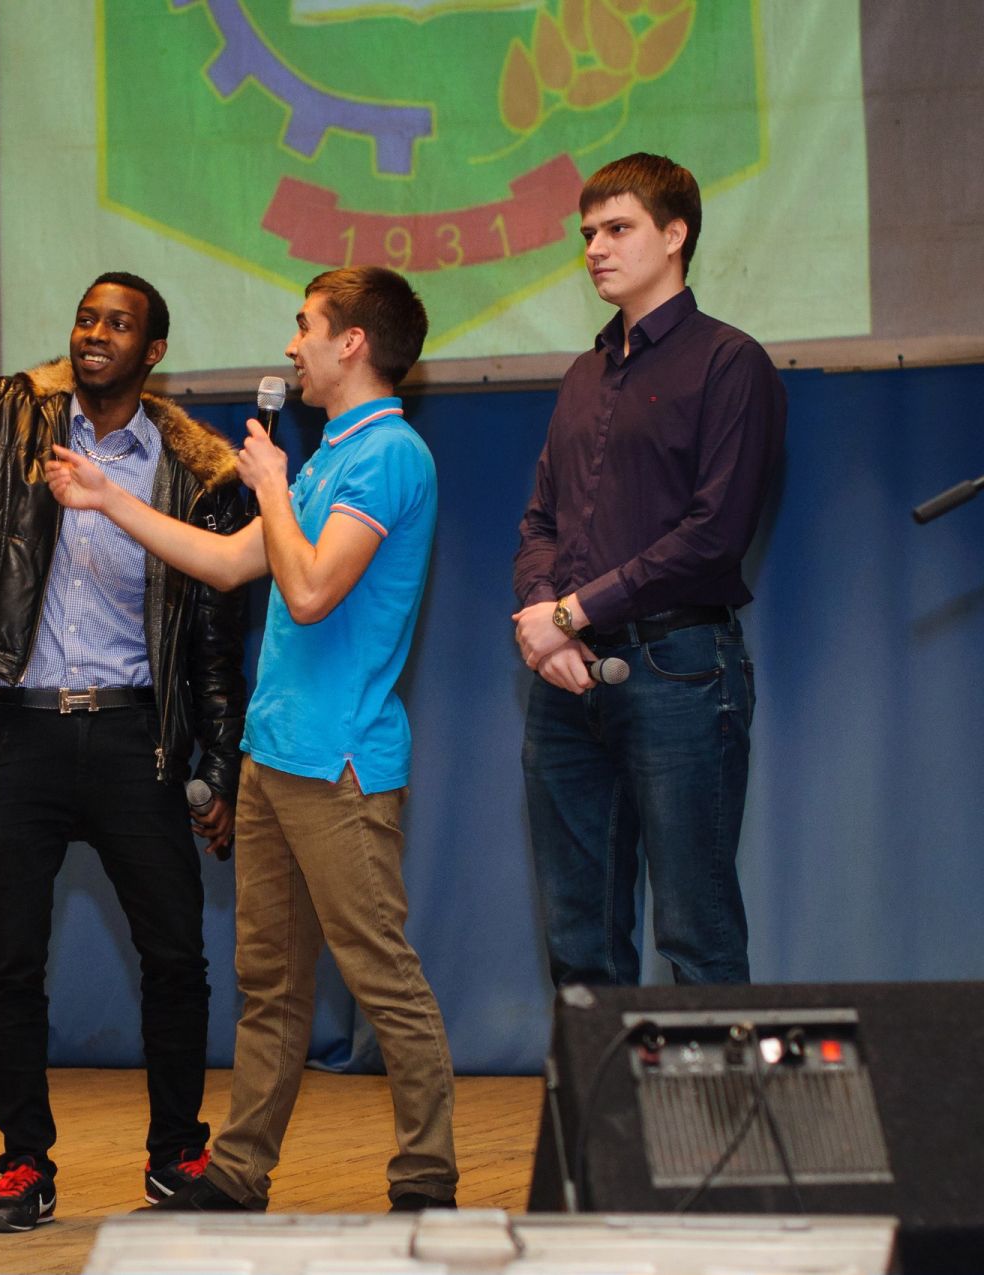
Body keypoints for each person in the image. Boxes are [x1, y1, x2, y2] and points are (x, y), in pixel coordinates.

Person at [47, 265, 459, 1212]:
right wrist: (108, 501)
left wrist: (271, 482)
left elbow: (308, 592)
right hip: (273, 758)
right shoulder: (326, 456)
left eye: (305, 325)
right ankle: (237, 1172)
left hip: (339, 763)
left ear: (352, 343)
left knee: (380, 973)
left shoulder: (389, 455)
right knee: (268, 980)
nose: (290, 345)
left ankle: (426, 1175)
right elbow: (232, 563)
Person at [0, 186, 249, 1232]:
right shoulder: (11, 424)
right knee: (12, 958)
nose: (94, 333)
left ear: (154, 350)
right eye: (86, 317)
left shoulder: (192, 477)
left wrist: (217, 765)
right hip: (20, 731)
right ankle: (23, 1163)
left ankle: (177, 1153)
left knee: (176, 954)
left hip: (137, 734)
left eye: (117, 323)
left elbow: (213, 642)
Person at [511, 153, 785, 988]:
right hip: (568, 678)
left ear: (675, 235)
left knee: (696, 933)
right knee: (578, 937)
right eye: (588, 232)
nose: (595, 247)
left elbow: (715, 534)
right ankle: (602, 1085)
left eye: (617, 228)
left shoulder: (730, 361)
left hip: (681, 670)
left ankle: (715, 1083)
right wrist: (545, 620)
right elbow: (542, 519)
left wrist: (571, 613)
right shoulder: (583, 373)